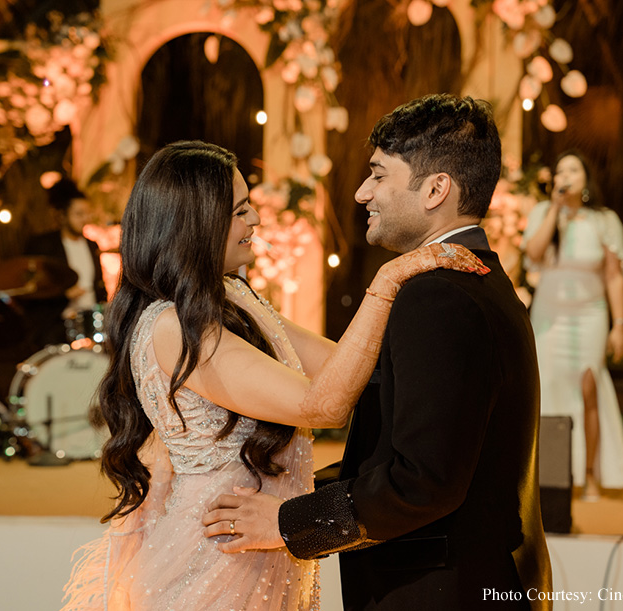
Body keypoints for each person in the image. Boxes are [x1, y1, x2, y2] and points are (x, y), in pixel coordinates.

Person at [59, 140, 487, 611]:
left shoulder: (234, 295)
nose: (255, 221)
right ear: (197, 223)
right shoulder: (172, 326)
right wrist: (387, 283)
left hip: (265, 539)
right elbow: (322, 405)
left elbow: (345, 366)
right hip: (218, 550)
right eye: (240, 210)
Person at [203, 94, 553, 610]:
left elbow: (422, 482)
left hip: (442, 592)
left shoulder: (436, 294)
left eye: (379, 175)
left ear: (436, 189)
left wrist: (286, 522)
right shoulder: (478, 279)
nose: (363, 192)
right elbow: (402, 451)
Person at [521, 150, 623, 500]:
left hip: (590, 315)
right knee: (548, 386)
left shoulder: (604, 219)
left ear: (585, 178)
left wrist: (619, 324)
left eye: (573, 169)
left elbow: (614, 275)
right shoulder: (542, 212)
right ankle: (551, 476)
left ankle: (590, 475)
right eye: (560, 171)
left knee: (589, 387)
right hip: (550, 314)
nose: (565, 175)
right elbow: (534, 255)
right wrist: (554, 209)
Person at [23, 178, 107, 348]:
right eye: (79, 214)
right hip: (57, 327)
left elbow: (98, 284)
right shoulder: (45, 245)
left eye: (87, 213)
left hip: (91, 324)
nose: (85, 219)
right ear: (62, 215)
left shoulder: (92, 245)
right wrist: (64, 294)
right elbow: (33, 288)